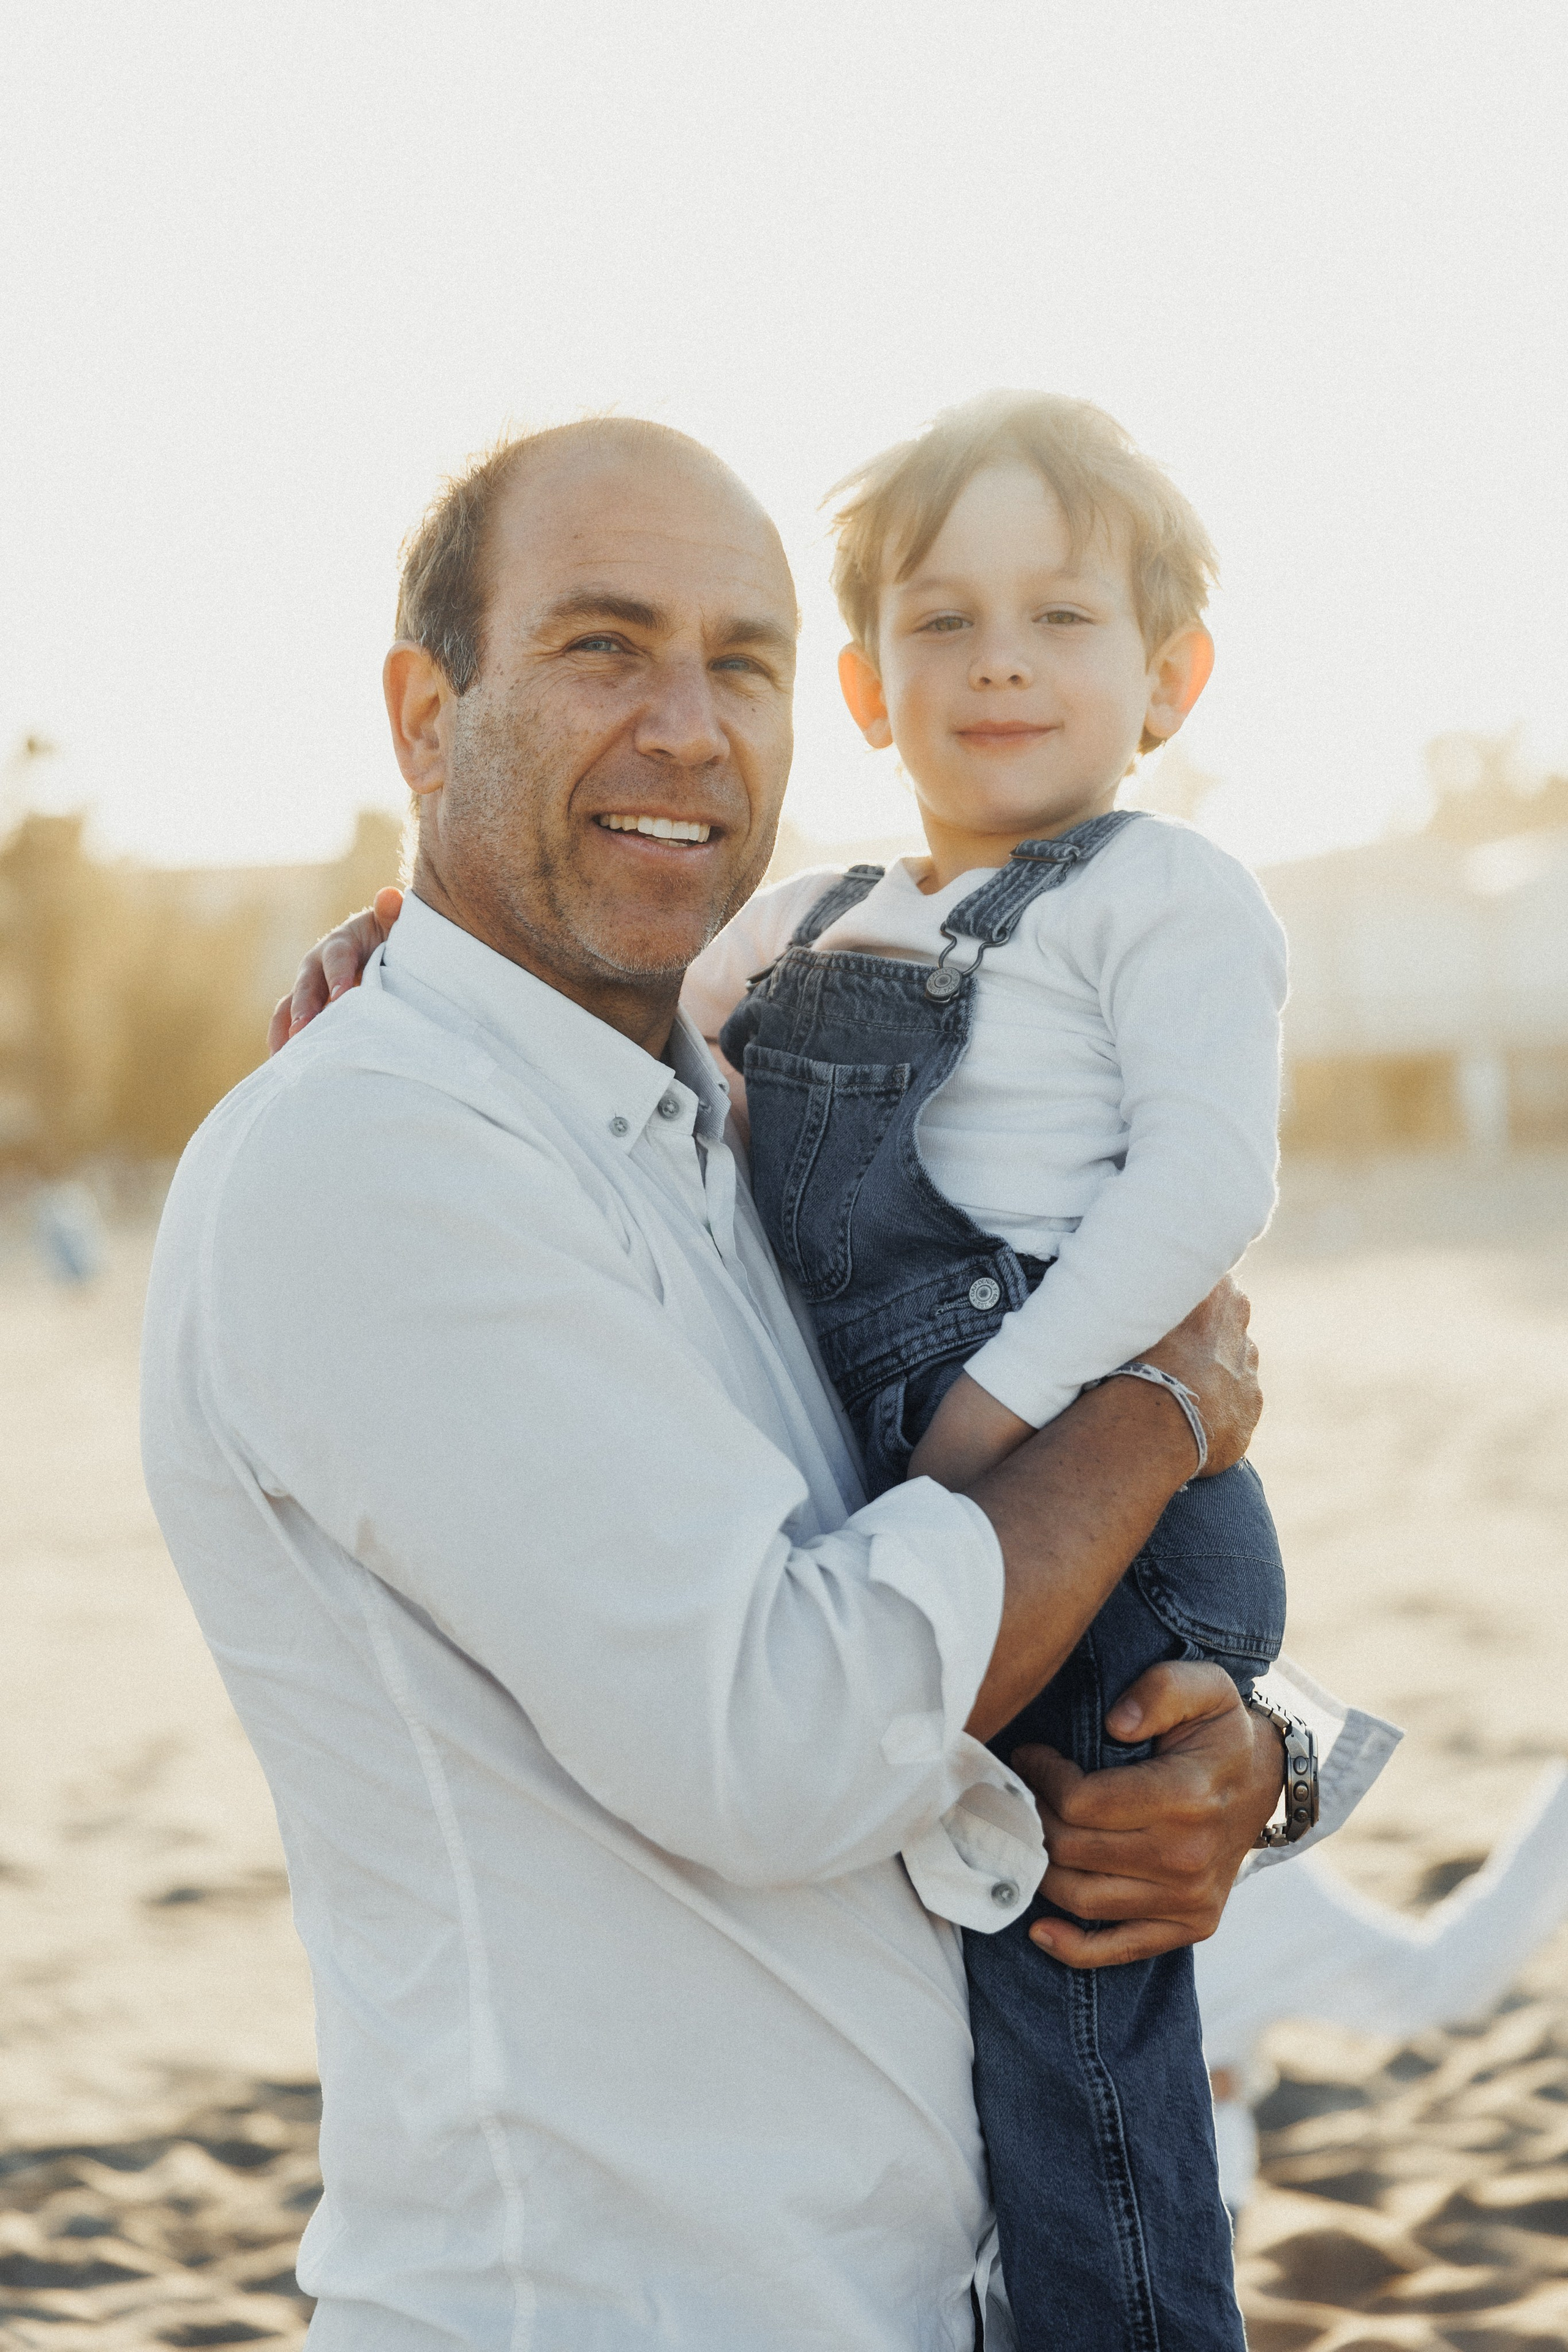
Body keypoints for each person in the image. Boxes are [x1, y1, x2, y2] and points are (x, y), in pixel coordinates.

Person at [152, 414, 1324, 2351]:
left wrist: (1261, 1765)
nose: (691, 728)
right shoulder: (376, 1158)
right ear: (425, 716)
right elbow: (793, 1730)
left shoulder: (732, 1141)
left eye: (745, 663)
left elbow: (939, 1588)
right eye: (606, 646)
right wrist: (1159, 1413)